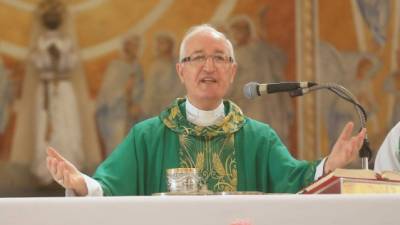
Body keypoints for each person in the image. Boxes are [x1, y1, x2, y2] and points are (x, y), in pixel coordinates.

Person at [46, 24, 365, 196]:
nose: (208, 66)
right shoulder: (148, 137)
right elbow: (111, 188)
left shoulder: (258, 138)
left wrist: (329, 164)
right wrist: (80, 184)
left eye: (219, 58)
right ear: (180, 71)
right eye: (197, 57)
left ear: (233, 71)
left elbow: (295, 180)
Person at [31, 0, 84, 184]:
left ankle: (69, 172)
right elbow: (36, 62)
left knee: (67, 126)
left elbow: (72, 62)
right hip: (45, 87)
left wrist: (60, 57)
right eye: (48, 15)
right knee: (44, 126)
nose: (52, 17)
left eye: (55, 14)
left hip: (63, 87)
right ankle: (45, 174)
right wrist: (46, 56)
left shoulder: (67, 41)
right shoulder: (40, 41)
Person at [96, 34, 145, 156]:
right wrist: (123, 92)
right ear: (126, 47)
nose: (136, 49)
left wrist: (137, 104)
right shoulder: (115, 66)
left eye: (138, 46)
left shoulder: (137, 67)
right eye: (134, 46)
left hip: (132, 118)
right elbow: (107, 94)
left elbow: (141, 90)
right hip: (116, 116)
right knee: (117, 151)